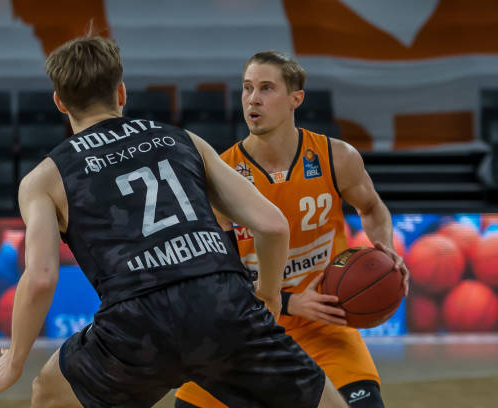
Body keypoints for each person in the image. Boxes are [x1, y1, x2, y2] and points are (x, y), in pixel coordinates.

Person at [0, 34, 348, 408]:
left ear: (59, 102)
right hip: (221, 303)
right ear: (121, 93)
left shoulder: (44, 178)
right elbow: (273, 225)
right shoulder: (182, 140)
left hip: (137, 325)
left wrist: (14, 360)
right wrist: (268, 294)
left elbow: (40, 277)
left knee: (50, 392)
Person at [175, 51, 410, 408]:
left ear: (295, 99)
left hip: (324, 328)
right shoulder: (222, 174)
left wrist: (386, 249)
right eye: (247, 88)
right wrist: (289, 301)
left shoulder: (336, 157)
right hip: (251, 329)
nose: (253, 99)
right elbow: (219, 275)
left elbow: (372, 208)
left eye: (266, 88)